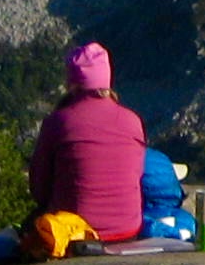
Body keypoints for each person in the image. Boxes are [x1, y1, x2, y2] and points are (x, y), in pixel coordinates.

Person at [27, 41, 147, 246]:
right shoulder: (132, 120)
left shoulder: (58, 121)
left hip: (72, 233)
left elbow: (39, 188)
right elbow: (136, 176)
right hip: (127, 230)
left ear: (71, 83)